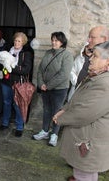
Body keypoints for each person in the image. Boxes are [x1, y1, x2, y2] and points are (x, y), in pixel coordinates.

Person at [53, 41, 109, 181]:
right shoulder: (97, 76)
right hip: (85, 138)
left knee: (85, 175)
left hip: (89, 140)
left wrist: (61, 118)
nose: (90, 59)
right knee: (82, 173)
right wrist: (65, 109)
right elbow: (78, 98)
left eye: (95, 56)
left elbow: (84, 113)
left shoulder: (105, 83)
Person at [33, 31, 73, 146]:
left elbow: (64, 74)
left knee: (57, 111)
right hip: (45, 88)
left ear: (62, 42)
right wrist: (41, 84)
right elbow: (40, 69)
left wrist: (48, 85)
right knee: (46, 110)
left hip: (59, 89)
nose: (53, 42)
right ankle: (45, 131)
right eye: (53, 40)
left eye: (56, 40)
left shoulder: (67, 55)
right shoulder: (48, 52)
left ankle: (54, 134)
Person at [0, 32, 33, 137]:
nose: (16, 43)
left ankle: (19, 127)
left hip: (18, 83)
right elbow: (1, 65)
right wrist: (3, 64)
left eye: (19, 41)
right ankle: (5, 123)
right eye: (15, 40)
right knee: (6, 102)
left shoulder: (26, 54)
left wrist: (12, 67)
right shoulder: (9, 51)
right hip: (6, 82)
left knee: (18, 105)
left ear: (23, 42)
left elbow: (26, 70)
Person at [68, 26, 109, 101]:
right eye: (88, 37)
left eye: (92, 37)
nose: (88, 40)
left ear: (104, 39)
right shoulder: (83, 56)